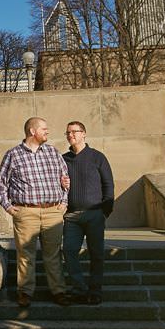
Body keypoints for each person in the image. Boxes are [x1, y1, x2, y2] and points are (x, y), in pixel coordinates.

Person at [0, 116, 70, 308]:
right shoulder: (13, 155)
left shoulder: (54, 153)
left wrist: (64, 201)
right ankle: (25, 293)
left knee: (53, 253)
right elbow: (1, 185)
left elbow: (65, 179)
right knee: (25, 255)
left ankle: (59, 291)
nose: (47, 132)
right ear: (32, 131)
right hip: (25, 212)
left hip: (53, 211)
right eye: (44, 129)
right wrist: (8, 207)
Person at [61, 121, 114, 305]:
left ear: (84, 133)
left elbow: (108, 185)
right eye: (68, 132)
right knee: (68, 251)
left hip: (94, 214)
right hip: (72, 216)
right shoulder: (63, 159)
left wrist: (104, 211)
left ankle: (95, 290)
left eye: (74, 131)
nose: (70, 135)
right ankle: (79, 289)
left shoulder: (97, 157)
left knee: (96, 253)